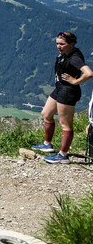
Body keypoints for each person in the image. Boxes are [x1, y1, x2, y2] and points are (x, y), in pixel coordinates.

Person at [32, 31, 93, 164]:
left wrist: (75, 81)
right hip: (60, 89)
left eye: (62, 44)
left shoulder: (74, 58)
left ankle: (63, 155)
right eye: (57, 44)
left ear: (72, 44)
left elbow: (89, 73)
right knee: (46, 113)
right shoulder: (66, 53)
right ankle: (47, 144)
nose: (59, 46)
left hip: (68, 92)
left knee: (65, 124)